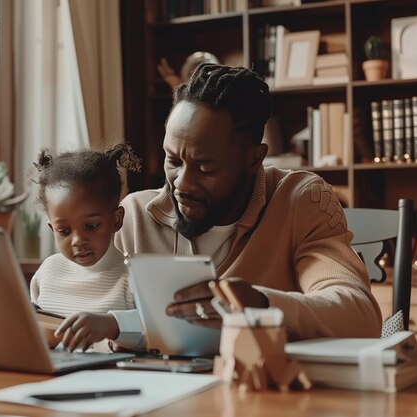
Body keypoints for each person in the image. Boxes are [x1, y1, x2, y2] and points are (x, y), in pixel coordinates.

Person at [113, 63, 382, 342]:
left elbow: (359, 316)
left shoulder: (300, 200)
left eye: (205, 168)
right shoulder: (133, 217)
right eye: (173, 160)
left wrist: (260, 305)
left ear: (254, 159)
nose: (181, 182)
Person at [30, 143, 141, 351]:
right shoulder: (47, 271)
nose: (77, 240)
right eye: (64, 231)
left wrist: (112, 326)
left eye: (91, 226)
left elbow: (152, 334)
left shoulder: (132, 277)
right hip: (51, 373)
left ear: (116, 220)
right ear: (52, 229)